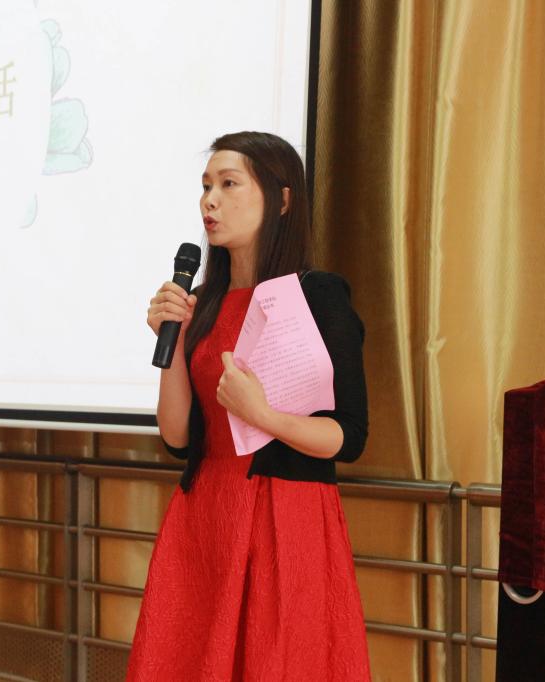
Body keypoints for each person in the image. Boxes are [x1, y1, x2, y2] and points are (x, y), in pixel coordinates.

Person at [127, 131, 370, 681]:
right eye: (205, 186)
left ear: (281, 200)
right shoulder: (203, 302)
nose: (210, 201)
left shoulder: (318, 294)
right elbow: (178, 437)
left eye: (229, 184)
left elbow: (350, 435)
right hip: (205, 514)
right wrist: (172, 344)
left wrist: (265, 418)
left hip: (286, 516)